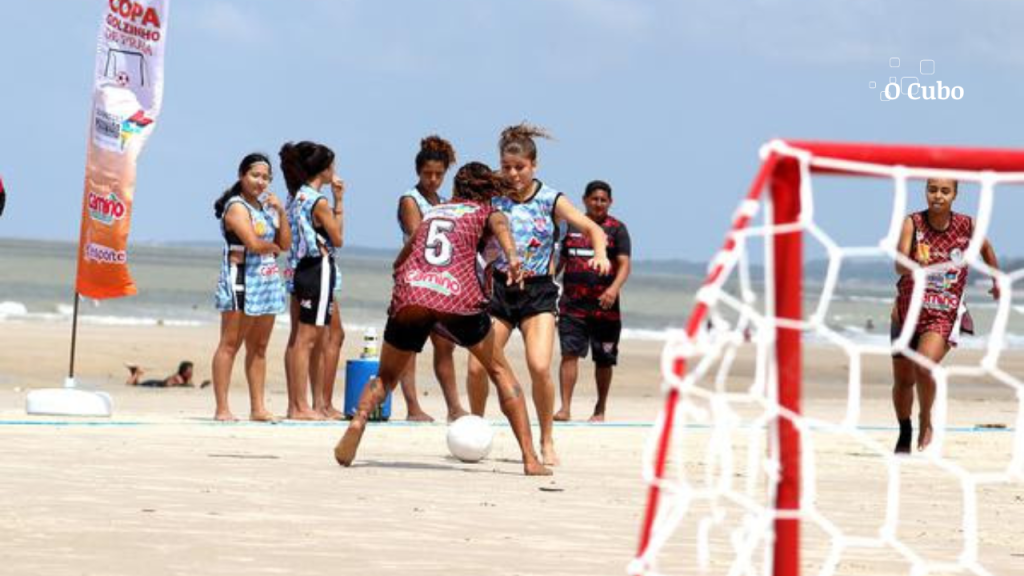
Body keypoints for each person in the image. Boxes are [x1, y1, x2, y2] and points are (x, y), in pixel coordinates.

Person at [334, 162, 551, 476]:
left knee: (385, 377)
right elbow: (502, 226)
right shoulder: (485, 211)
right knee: (501, 372)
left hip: (412, 294)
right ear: (486, 189)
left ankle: (359, 420)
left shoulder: (435, 212)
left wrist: (403, 277)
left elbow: (404, 255)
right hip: (456, 297)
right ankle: (531, 459)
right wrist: (514, 258)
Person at [465, 123, 611, 466]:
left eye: (520, 167)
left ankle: (546, 438)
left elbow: (591, 228)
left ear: (534, 166)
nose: (513, 174)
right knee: (476, 368)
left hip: (538, 293)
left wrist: (600, 253)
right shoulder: (493, 198)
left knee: (539, 365)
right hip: (499, 289)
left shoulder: (550, 198)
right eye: (507, 167)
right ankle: (476, 431)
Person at [891, 177, 1000, 453]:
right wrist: (917, 262)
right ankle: (904, 430)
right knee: (904, 381)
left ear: (954, 195)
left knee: (925, 366)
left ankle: (926, 418)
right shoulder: (913, 222)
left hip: (942, 312)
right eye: (932, 190)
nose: (937, 196)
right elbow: (899, 263)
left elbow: (986, 248)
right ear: (926, 192)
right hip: (906, 312)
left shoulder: (967, 225)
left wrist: (996, 280)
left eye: (944, 191)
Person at [394, 135, 469, 422]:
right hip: (415, 279)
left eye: (439, 174)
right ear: (418, 172)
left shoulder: (444, 202)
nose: (433, 179)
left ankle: (453, 406)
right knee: (409, 347)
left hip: (440, 281)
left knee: (444, 345)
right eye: (428, 174)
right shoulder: (410, 200)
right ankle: (413, 407)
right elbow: (417, 238)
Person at [211, 153, 291, 422]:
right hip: (241, 279)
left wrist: (281, 211)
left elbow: (286, 243)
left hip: (267, 281)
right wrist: (274, 247)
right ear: (242, 175)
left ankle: (258, 407)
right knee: (230, 343)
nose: (261, 182)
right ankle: (222, 407)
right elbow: (254, 244)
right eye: (255, 175)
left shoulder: (265, 207)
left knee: (259, 347)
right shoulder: (236, 207)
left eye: (266, 177)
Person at [554, 180, 631, 422]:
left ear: (610, 202)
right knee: (569, 354)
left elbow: (625, 265)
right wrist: (548, 283)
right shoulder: (571, 226)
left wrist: (613, 290)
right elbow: (559, 262)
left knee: (604, 359)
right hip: (572, 305)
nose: (598, 204)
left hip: (605, 308)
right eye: (594, 199)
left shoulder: (617, 229)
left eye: (603, 200)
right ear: (585, 200)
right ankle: (565, 408)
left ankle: (600, 409)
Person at [280, 141, 345, 421]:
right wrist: (339, 202)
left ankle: (306, 404)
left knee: (302, 338)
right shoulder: (318, 201)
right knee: (307, 339)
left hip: (299, 267)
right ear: (324, 169)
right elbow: (338, 238)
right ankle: (301, 406)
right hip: (317, 266)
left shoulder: (296, 196)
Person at [125, 361, 204, 388]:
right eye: (189, 372)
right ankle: (136, 373)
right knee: (134, 385)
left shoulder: (185, 379)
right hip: (156, 384)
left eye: (191, 372)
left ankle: (134, 372)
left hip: (158, 384)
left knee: (136, 385)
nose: (191, 374)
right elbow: (187, 386)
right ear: (183, 371)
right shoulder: (178, 378)